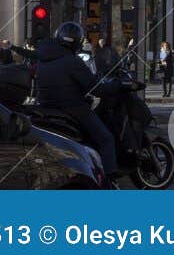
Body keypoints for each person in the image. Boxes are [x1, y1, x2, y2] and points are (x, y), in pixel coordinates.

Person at [35, 20, 116, 184]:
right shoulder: (73, 61)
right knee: (106, 139)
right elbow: (94, 87)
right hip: (71, 106)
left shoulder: (43, 58)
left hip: (46, 107)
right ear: (78, 42)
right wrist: (115, 85)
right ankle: (110, 180)